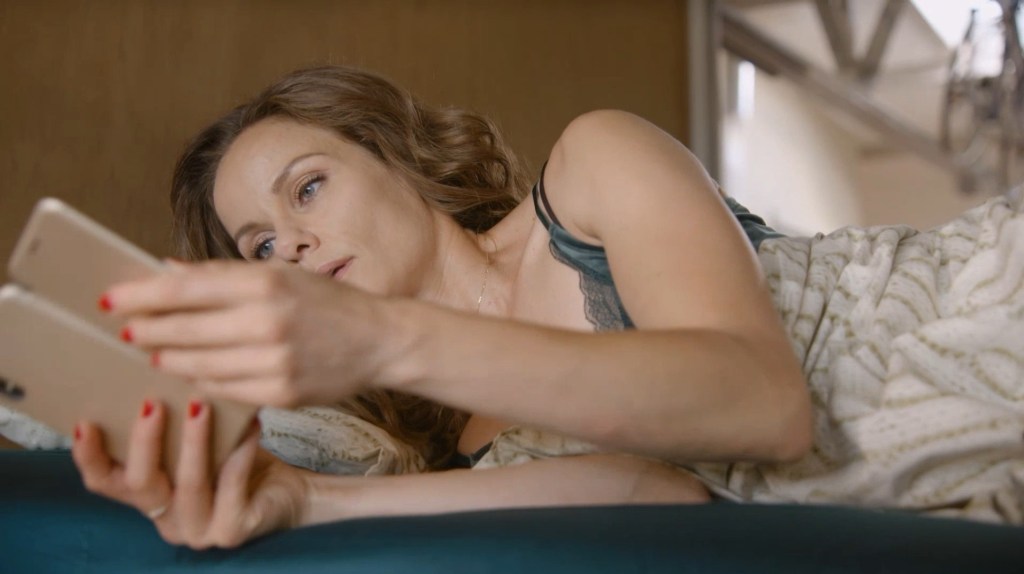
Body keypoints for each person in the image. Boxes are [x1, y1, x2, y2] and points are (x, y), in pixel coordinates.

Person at [68, 65, 1023, 549]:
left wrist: (380, 337)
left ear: (395, 153)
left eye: (308, 189)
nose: (293, 247)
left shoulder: (592, 165)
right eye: (260, 248)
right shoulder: (462, 447)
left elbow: (762, 405)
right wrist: (305, 497)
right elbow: (667, 495)